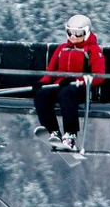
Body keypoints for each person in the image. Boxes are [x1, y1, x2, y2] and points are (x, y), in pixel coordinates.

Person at [34, 14, 105, 152]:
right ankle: (52, 130)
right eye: (70, 33)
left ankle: (70, 134)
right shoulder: (62, 49)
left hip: (81, 87)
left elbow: (99, 75)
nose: (73, 37)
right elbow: (51, 71)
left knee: (67, 95)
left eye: (78, 34)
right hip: (61, 85)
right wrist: (43, 83)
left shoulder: (92, 50)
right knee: (42, 95)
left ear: (87, 32)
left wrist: (78, 81)